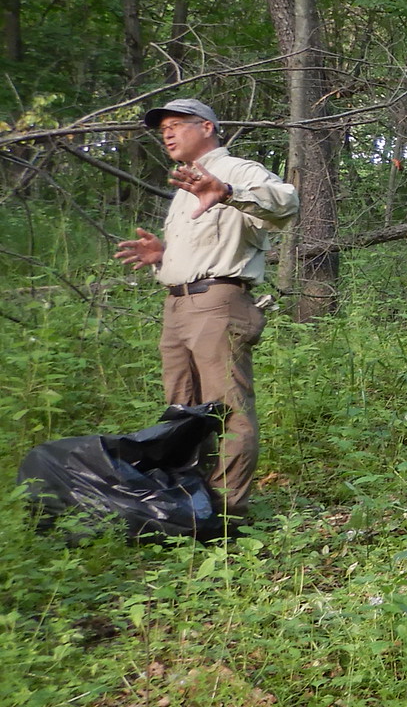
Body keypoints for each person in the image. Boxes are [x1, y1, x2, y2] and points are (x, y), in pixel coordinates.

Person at [113, 97, 299, 515]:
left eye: (177, 124)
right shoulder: (185, 184)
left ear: (208, 128)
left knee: (227, 407)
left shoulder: (234, 170)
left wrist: (228, 191)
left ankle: (228, 512)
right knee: (183, 411)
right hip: (177, 308)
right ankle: (190, 502)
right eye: (164, 130)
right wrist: (164, 255)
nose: (169, 134)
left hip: (218, 305)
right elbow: (208, 247)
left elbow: (287, 204)